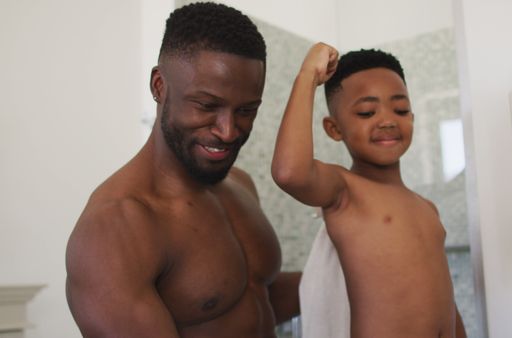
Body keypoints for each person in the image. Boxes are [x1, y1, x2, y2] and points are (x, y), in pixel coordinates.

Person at [65, 3, 300, 337]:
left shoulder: (240, 184)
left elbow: (250, 301)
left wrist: (364, 260)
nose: (228, 131)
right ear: (160, 86)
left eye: (246, 110)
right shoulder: (114, 228)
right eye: (207, 106)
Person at [272, 42, 467, 338]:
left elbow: (445, 304)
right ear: (334, 129)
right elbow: (289, 173)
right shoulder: (345, 192)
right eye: (366, 112)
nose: (387, 120)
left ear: (412, 117)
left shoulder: (427, 209)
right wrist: (307, 77)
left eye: (400, 109)